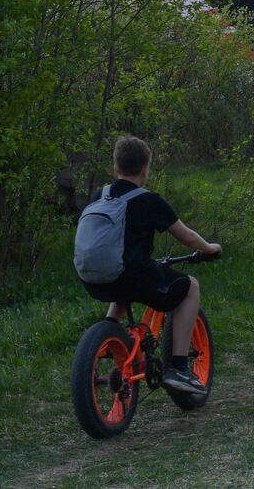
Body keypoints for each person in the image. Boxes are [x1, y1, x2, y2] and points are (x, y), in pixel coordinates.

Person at [80, 135, 221, 396]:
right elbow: (186, 236)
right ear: (145, 170)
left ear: (115, 169)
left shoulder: (100, 195)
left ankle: (110, 338)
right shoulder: (148, 200)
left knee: (124, 286)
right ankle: (178, 367)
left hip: (93, 277)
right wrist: (209, 248)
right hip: (134, 275)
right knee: (190, 288)